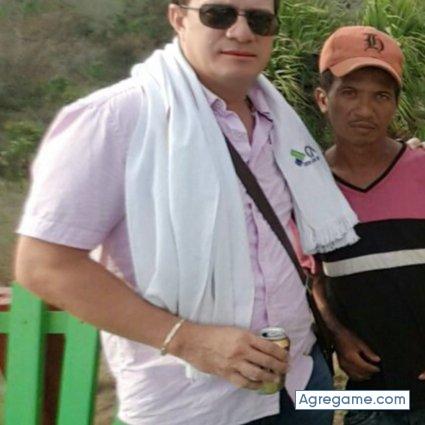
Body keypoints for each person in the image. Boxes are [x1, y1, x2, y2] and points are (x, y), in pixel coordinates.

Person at [14, 1, 360, 424]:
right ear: (179, 18)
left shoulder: (280, 123)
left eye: (259, 20)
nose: (241, 32)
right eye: (219, 14)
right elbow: (43, 264)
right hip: (193, 404)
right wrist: (187, 340)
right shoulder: (116, 119)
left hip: (302, 381)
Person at [313, 26, 425, 425]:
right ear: (323, 99)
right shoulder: (306, 187)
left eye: (381, 96)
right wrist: (337, 334)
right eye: (350, 92)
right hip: (372, 398)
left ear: (395, 104)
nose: (365, 110)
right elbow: (313, 277)